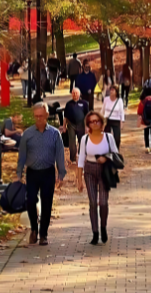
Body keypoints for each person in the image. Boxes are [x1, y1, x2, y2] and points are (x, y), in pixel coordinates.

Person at [16, 103, 67, 247]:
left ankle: (43, 234)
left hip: (48, 172)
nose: (38, 119)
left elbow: (60, 154)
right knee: (30, 201)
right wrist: (19, 173)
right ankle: (34, 228)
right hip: (32, 172)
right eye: (36, 116)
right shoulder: (28, 134)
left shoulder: (54, 134)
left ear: (46, 116)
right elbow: (22, 155)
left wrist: (61, 174)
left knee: (47, 202)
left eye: (41, 116)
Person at [77, 111, 119, 246]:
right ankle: (95, 232)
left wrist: (105, 157)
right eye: (92, 122)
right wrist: (79, 180)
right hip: (89, 171)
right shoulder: (85, 139)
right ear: (88, 124)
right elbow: (80, 159)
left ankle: (103, 227)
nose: (95, 124)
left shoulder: (108, 137)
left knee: (103, 202)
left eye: (97, 121)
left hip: (104, 171)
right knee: (93, 202)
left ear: (101, 123)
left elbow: (115, 154)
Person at [63, 88, 90, 163]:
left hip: (81, 124)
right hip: (71, 125)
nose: (74, 94)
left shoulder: (84, 103)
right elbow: (65, 117)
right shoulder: (68, 104)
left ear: (79, 94)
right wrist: (64, 126)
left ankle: (81, 156)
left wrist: (87, 127)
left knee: (82, 141)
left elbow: (87, 116)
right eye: (73, 93)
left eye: (76, 93)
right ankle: (73, 158)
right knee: (72, 143)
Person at [101, 85, 125, 151]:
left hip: (116, 120)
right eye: (110, 90)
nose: (111, 91)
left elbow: (121, 112)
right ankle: (106, 150)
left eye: (113, 90)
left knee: (117, 138)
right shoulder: (106, 99)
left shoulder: (119, 100)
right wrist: (101, 120)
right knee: (106, 137)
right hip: (107, 120)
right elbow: (102, 110)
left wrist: (122, 122)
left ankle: (116, 151)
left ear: (116, 92)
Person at [137, 87, 151, 154]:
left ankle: (147, 146)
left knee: (146, 133)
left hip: (145, 120)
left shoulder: (143, 101)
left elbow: (139, 111)